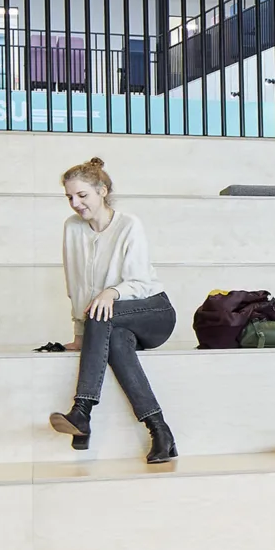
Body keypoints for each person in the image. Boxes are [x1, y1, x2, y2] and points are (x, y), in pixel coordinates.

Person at [47, 157, 179, 463]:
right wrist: (80, 335)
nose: (75, 203)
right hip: (110, 320)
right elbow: (77, 285)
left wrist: (112, 292)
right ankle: (159, 430)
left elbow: (141, 281)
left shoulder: (129, 225)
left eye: (82, 195)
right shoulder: (72, 229)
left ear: (102, 191)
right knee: (117, 342)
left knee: (100, 311)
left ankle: (82, 411)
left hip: (152, 311)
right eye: (69, 197)